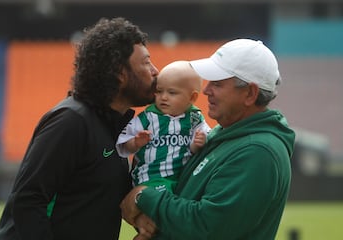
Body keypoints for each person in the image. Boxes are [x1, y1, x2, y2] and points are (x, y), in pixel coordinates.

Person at [0, 17, 159, 240]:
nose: (155, 71)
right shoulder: (70, 121)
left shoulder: (113, 128)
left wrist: (138, 217)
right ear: (120, 73)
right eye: (146, 63)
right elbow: (28, 200)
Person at [120, 38, 296, 240]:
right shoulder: (225, 134)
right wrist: (146, 221)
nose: (206, 90)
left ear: (250, 93)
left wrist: (144, 196)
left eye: (218, 84)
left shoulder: (258, 152)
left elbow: (207, 226)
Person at [116, 60, 211, 192]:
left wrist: (198, 144)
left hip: (182, 179)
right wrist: (136, 142)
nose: (163, 97)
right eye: (159, 91)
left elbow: (203, 145)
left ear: (192, 97)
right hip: (150, 179)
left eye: (172, 93)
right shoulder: (147, 117)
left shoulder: (195, 118)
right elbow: (123, 145)